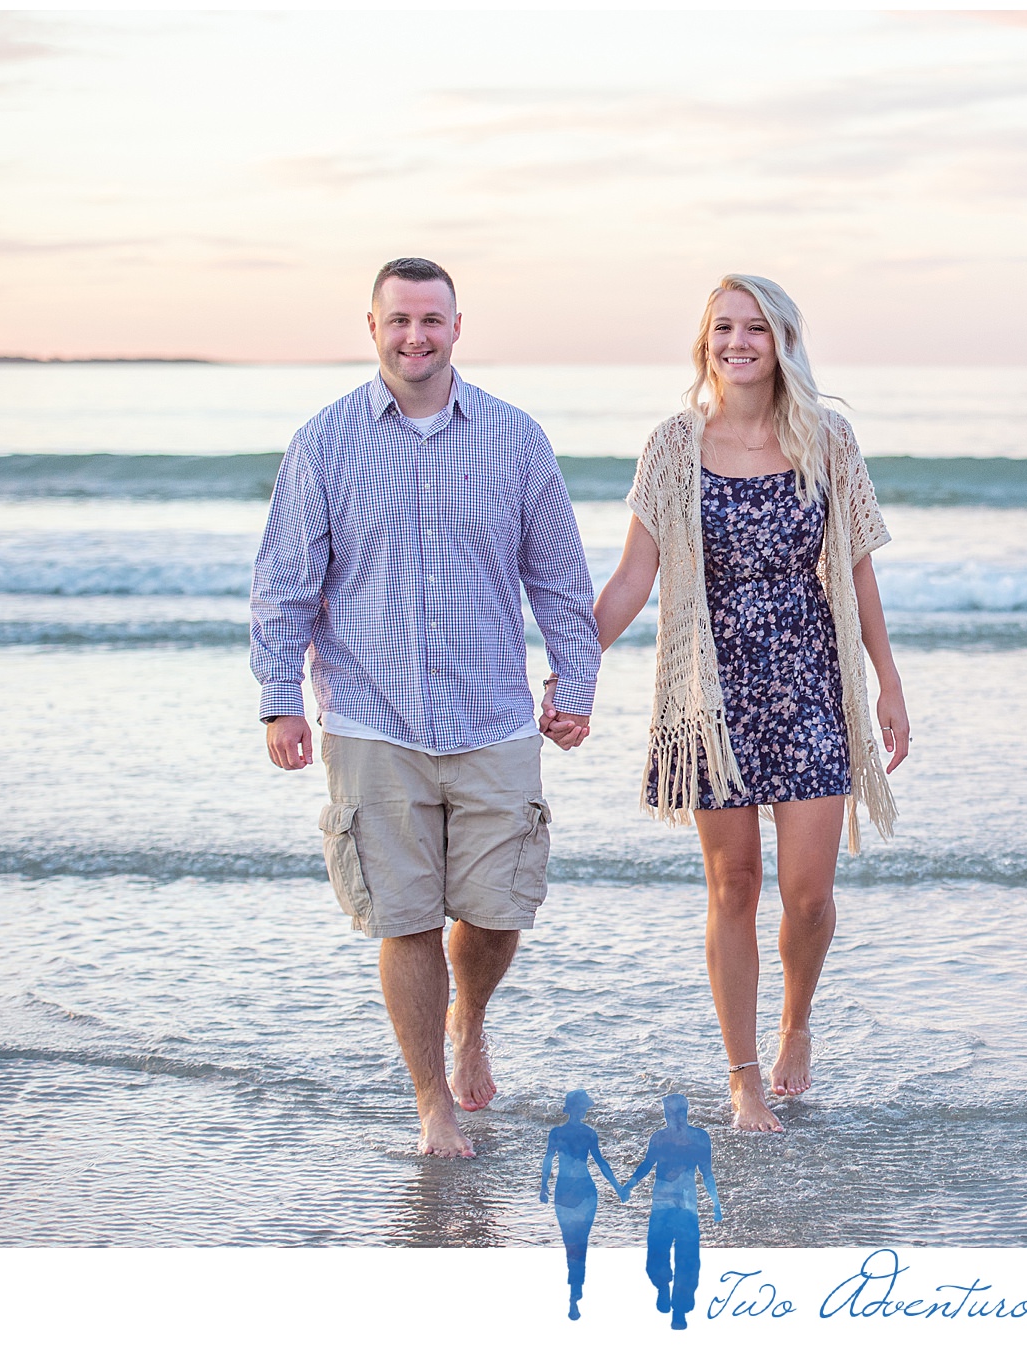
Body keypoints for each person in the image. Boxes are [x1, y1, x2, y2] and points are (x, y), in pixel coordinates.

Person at [250, 257, 599, 1158]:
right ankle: (431, 1103)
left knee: (497, 912)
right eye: (399, 319)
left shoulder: (515, 439)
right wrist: (278, 701)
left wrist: (578, 682)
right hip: (373, 719)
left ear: (456, 326)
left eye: (432, 320)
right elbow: (284, 586)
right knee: (402, 918)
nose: (416, 335)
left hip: (493, 716)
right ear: (371, 327)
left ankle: (469, 1018)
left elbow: (558, 578)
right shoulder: (323, 443)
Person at [593, 274, 910, 1131]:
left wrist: (887, 682)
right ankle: (742, 1077)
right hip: (711, 694)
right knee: (733, 885)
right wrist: (573, 662)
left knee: (807, 895)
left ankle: (795, 1023)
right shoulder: (671, 446)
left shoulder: (828, 440)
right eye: (724, 328)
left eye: (756, 329)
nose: (739, 343)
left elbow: (856, 567)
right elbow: (633, 577)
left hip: (811, 683)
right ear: (707, 343)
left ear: (782, 342)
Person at [620, 1093, 724, 1329]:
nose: (671, 1117)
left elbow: (707, 1173)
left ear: (683, 1113)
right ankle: (663, 1287)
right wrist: (629, 1185)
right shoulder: (659, 1139)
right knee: (658, 1256)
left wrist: (716, 1204)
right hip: (663, 1206)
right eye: (669, 1113)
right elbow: (647, 1165)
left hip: (685, 1208)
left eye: (674, 1113)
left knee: (687, 1260)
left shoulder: (700, 1138)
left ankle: (679, 1310)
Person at [541, 1089, 623, 1319]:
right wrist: (618, 1188)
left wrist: (543, 1187)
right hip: (583, 1190)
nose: (585, 1110)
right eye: (584, 1106)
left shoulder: (559, 1133)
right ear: (577, 1108)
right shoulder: (588, 1133)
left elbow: (549, 1160)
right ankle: (576, 1289)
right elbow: (601, 1163)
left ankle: (574, 1289)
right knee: (578, 1242)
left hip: (568, 1190)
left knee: (572, 1242)